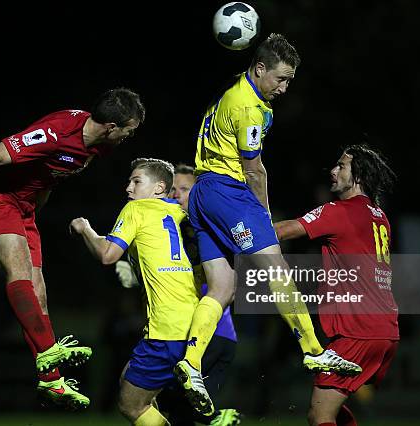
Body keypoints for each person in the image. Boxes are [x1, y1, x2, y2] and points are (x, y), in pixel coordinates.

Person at [177, 33, 361, 415]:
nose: (285, 86)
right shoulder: (248, 108)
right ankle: (314, 351)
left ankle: (191, 363)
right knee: (277, 271)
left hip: (202, 195)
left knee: (223, 287)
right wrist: (263, 214)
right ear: (259, 69)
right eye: (280, 78)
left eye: (290, 79)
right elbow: (254, 170)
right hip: (230, 194)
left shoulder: (235, 90)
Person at [0, 88, 145, 409]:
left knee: (39, 293)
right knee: (20, 272)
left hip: (26, 211)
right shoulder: (58, 131)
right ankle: (48, 348)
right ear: (112, 127)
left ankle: (51, 381)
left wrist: (33, 211)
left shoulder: (96, 147)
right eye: (129, 130)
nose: (130, 136)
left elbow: (48, 177)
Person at [274, 144, 399, 426]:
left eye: (341, 166)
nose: (332, 171)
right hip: (385, 329)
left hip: (358, 330)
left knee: (320, 415)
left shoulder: (339, 211)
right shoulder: (380, 216)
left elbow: (281, 232)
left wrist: (232, 228)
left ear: (360, 176)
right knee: (334, 411)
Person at [69, 158, 198, 426]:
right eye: (129, 181)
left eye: (137, 181)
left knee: (130, 404)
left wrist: (85, 229)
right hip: (195, 324)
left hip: (166, 328)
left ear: (159, 187)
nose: (128, 188)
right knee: (129, 381)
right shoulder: (178, 211)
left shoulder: (135, 210)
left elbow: (107, 254)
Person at [117, 164, 241, 426]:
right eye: (173, 190)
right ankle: (214, 419)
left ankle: (218, 421)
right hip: (193, 333)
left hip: (206, 335)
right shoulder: (173, 225)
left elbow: (224, 285)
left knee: (144, 402)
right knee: (154, 401)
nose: (176, 196)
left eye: (184, 190)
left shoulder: (200, 229)